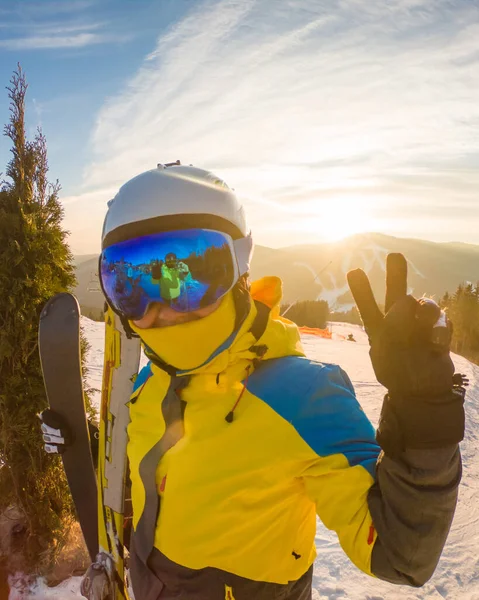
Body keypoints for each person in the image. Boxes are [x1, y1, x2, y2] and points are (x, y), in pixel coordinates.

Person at [41, 163, 466, 600]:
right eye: (129, 285)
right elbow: (155, 476)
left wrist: (424, 413)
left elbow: (402, 556)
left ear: (240, 271)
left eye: (188, 284)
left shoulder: (302, 396)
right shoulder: (153, 381)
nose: (160, 313)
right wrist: (88, 447)